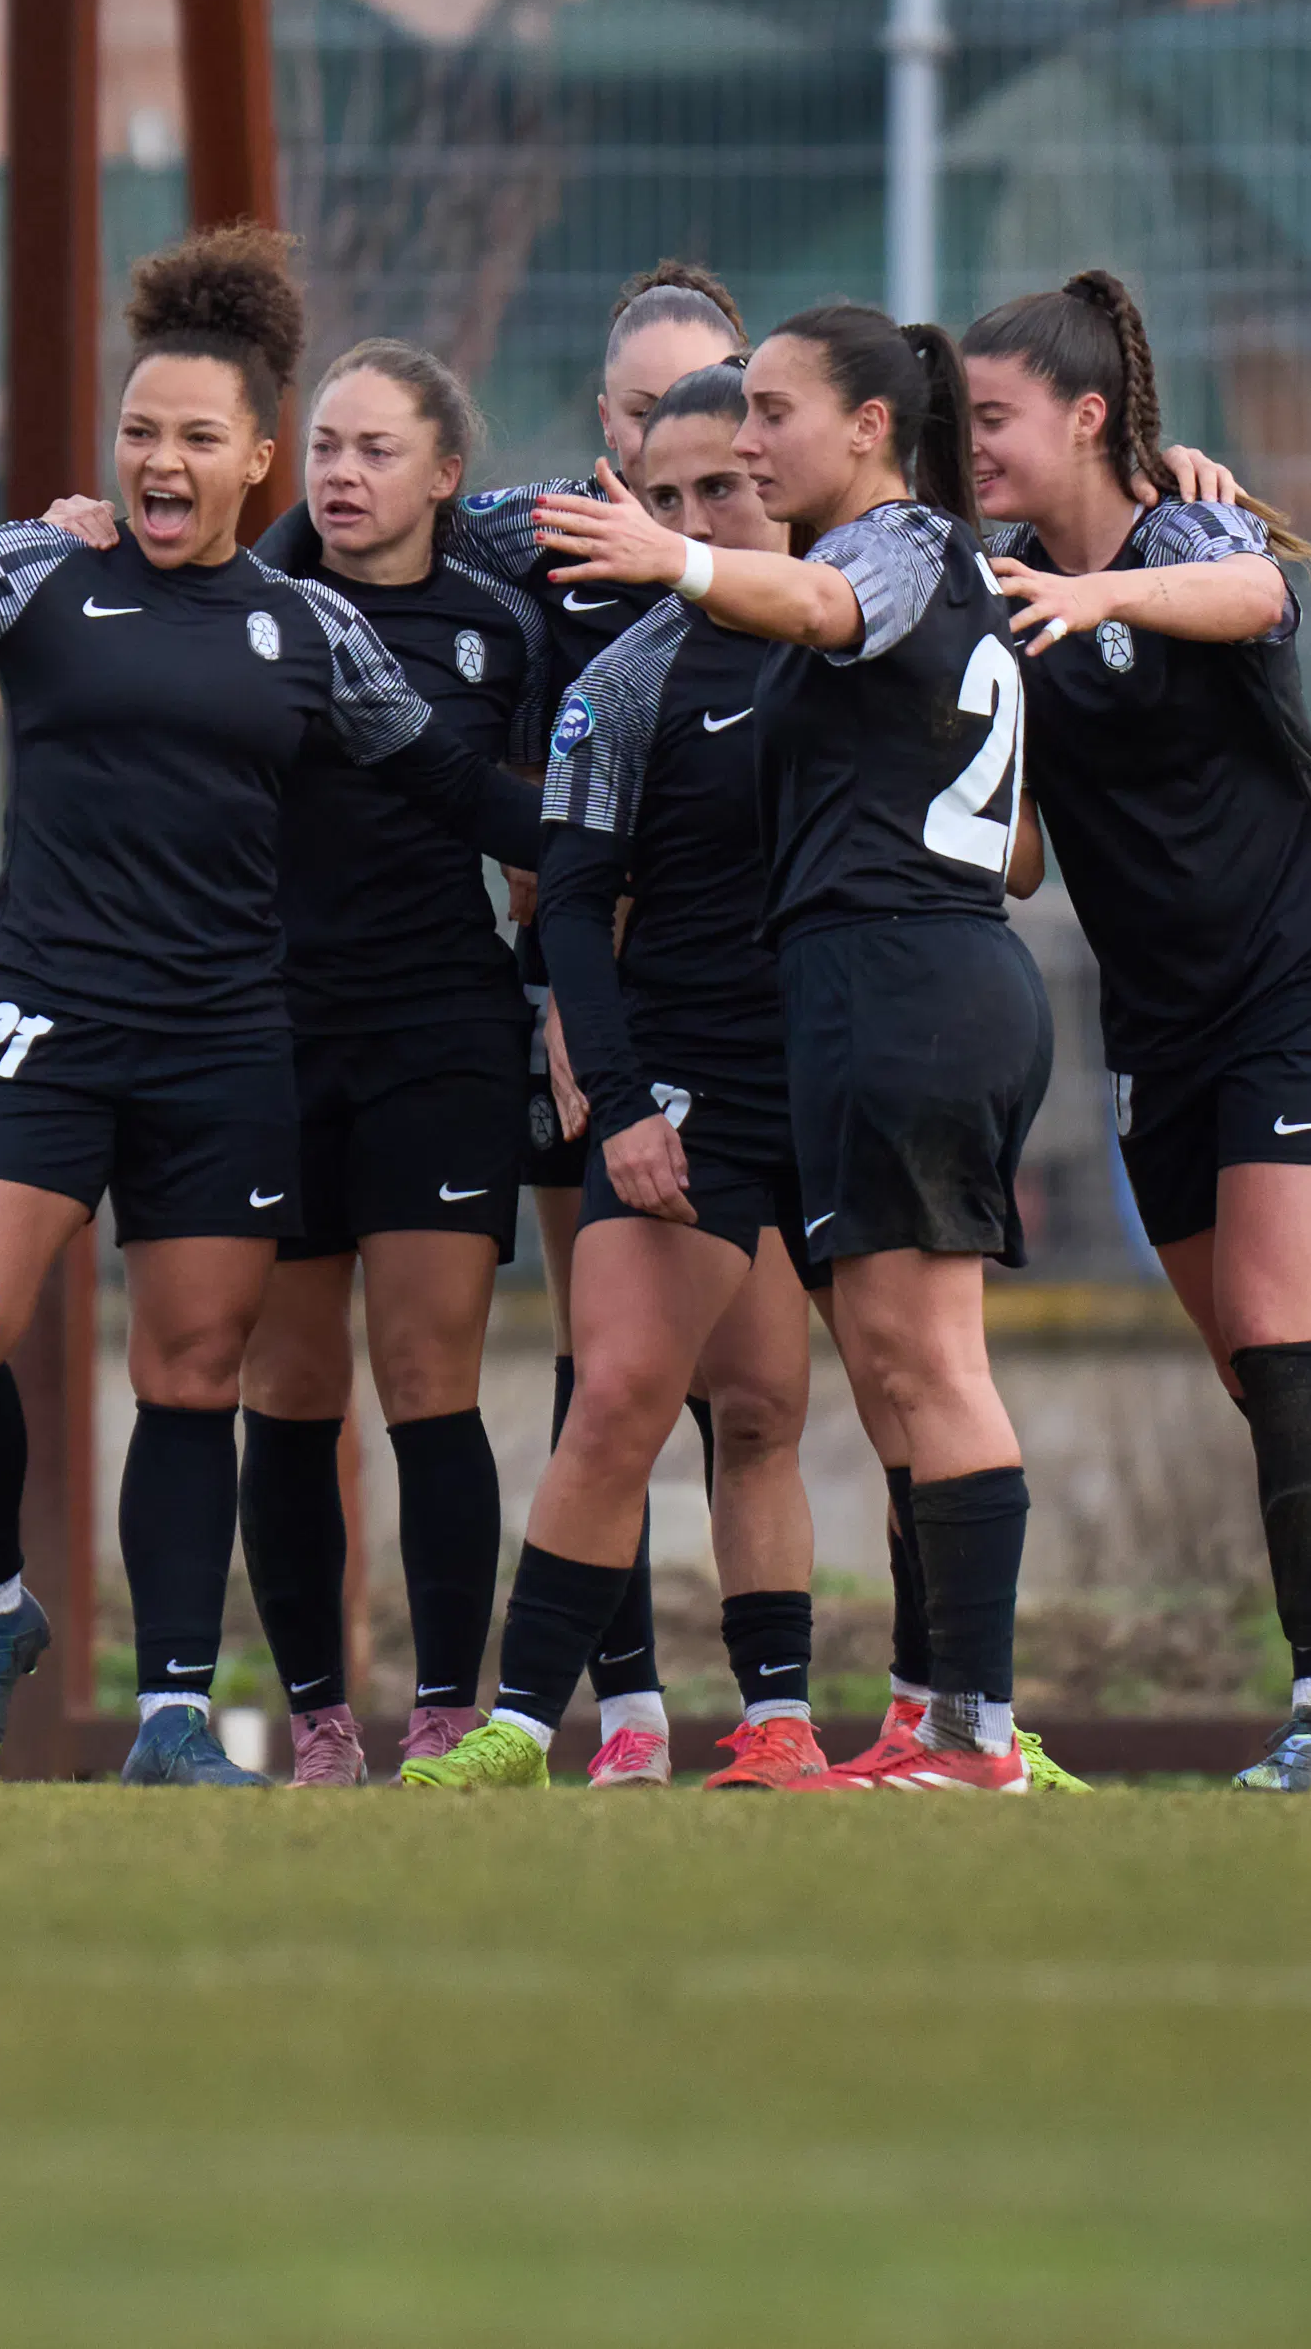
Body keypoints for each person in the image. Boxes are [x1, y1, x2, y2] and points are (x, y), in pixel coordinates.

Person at [0, 224, 542, 1786]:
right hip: (50, 1017)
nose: (161, 461)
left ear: (255, 458)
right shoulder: (41, 569)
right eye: (140, 432)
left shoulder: (313, 629)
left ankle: (171, 1717)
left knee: (193, 1378)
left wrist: (645, 838)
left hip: (228, 1044)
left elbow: (462, 791)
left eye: (199, 437)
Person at [532, 301, 1053, 1792]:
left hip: (906, 980)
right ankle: (949, 1726)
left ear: (871, 426)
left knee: (927, 1365)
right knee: (899, 1365)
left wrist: (676, 560)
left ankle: (976, 1733)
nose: (748, 445)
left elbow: (830, 607)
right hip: (902, 982)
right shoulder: (915, 563)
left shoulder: (893, 545)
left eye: (772, 414)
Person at [968, 270, 1311, 1791]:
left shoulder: (1188, 528)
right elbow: (1027, 859)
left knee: (1275, 1326)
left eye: (995, 418)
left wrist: (1102, 595)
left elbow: (1255, 596)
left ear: (1087, 417)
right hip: (1159, 1025)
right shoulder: (999, 589)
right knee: (1261, 1363)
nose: (972, 445)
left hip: (1306, 980)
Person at [400, 360, 832, 1789]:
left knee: (774, 1407)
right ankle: (526, 1726)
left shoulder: (857, 631)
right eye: (666, 496)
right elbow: (571, 907)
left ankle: (804, 1721)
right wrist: (628, 1098)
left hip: (844, 1079)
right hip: (693, 1083)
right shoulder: (625, 680)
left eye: (727, 489)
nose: (696, 519)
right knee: (621, 1395)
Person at [232, 344, 545, 1785]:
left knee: (428, 1376)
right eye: (325, 448)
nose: (342, 474)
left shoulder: (501, 624)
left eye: (376, 450)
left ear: (445, 476)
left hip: (440, 1032)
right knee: (292, 1383)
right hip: (273, 1031)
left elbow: (534, 833)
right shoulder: (248, 607)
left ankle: (440, 1713)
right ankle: (316, 1722)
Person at [457, 263, 753, 1778]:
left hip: (747, 1008)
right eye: (643, 414)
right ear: (602, 423)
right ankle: (623, 1705)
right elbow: (349, 515)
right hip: (580, 984)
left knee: (757, 1380)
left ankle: (862, 1704)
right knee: (611, 1353)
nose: (668, 448)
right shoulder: (534, 540)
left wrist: (1165, 474)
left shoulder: (806, 568)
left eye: (709, 408)